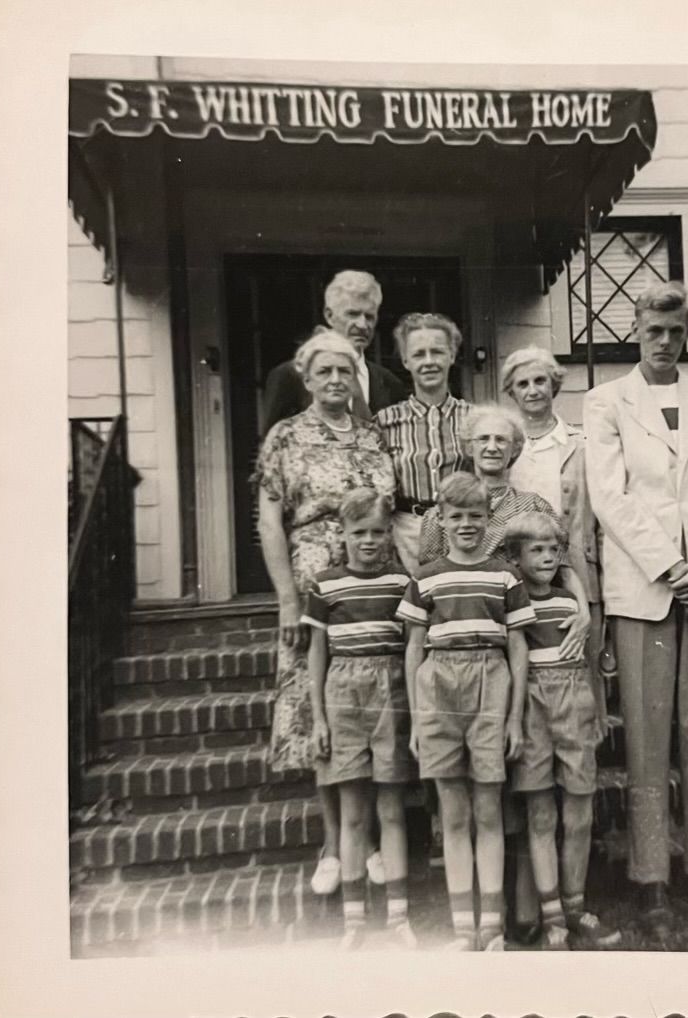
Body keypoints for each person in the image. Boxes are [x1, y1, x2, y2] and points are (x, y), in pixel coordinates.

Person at [583, 280, 688, 943]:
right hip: (646, 587)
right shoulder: (605, 402)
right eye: (653, 330)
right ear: (635, 329)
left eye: (675, 331)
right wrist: (668, 566)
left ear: (687, 332)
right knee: (649, 738)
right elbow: (609, 495)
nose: (664, 341)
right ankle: (650, 875)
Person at [255, 330, 395, 898]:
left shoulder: (374, 435)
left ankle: (379, 841)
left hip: (371, 579)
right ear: (305, 379)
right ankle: (336, 845)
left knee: (374, 702)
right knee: (324, 713)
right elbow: (268, 522)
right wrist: (288, 598)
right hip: (314, 580)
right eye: (324, 372)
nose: (335, 380)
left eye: (344, 371)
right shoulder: (285, 436)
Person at [397, 473, 536, 951]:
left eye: (475, 516)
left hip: (490, 687)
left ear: (489, 519)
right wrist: (417, 719)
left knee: (488, 811)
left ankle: (491, 927)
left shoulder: (504, 575)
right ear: (440, 518)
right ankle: (462, 928)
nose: (466, 525)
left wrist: (514, 717)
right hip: (439, 689)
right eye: (456, 517)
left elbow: (518, 649)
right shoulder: (426, 576)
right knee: (453, 815)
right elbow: (413, 650)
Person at [303, 488, 416, 950]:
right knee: (352, 813)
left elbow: (413, 645)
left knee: (391, 810)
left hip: (391, 693)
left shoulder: (400, 582)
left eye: (376, 532)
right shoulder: (325, 584)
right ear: (342, 535)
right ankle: (354, 921)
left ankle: (398, 917)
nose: (368, 541)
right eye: (358, 533)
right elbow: (316, 656)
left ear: (389, 534)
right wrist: (319, 720)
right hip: (343, 697)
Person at [503, 511, 620, 951]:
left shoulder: (571, 605)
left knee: (578, 811)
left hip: (574, 702)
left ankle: (575, 906)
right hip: (532, 706)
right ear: (515, 556)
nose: (548, 557)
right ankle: (551, 914)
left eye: (554, 549)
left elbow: (588, 663)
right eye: (536, 550)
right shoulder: (509, 604)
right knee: (540, 813)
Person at [501, 345, 602, 696]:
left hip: (573, 572)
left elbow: (598, 518)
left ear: (554, 385)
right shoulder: (504, 449)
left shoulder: (581, 444)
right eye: (522, 383)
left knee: (579, 665)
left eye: (540, 381)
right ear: (511, 392)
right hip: (518, 575)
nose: (532, 390)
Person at [376, 312, 470, 574]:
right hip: (406, 533)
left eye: (437, 352)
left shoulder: (474, 418)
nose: (429, 362)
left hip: (461, 529)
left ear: (451, 356)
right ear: (406, 361)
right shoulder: (384, 422)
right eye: (418, 354)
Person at [259, 270, 408, 435]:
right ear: (329, 315)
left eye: (369, 317)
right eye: (353, 314)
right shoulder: (290, 375)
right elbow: (272, 445)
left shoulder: (389, 382)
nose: (362, 325)